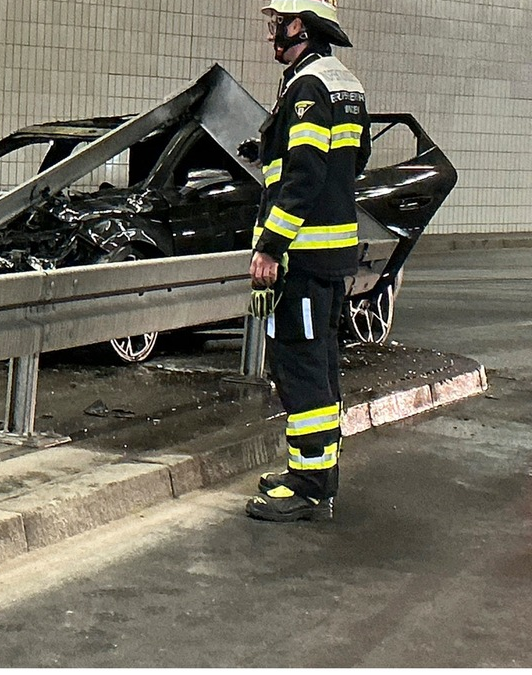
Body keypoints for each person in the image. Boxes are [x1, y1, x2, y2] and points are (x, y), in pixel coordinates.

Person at [245, 0, 371, 522]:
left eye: (279, 22)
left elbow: (304, 175)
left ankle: (308, 485)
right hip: (331, 253)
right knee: (320, 364)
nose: (273, 31)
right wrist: (268, 149)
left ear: (302, 25)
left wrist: (271, 246)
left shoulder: (306, 87)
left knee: (299, 368)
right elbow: (353, 158)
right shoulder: (344, 83)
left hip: (301, 253)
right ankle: (320, 472)